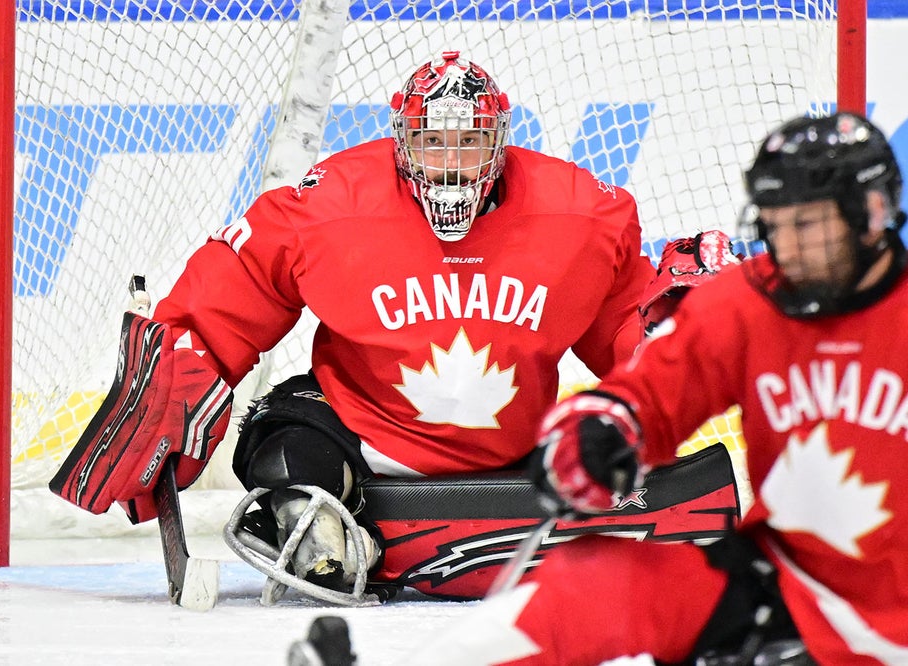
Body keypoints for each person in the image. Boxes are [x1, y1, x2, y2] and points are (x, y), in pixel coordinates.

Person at [49, 51, 657, 600]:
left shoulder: (580, 213)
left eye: (468, 143)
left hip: (515, 452)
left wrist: (677, 332)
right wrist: (182, 353)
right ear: (400, 142)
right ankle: (321, 527)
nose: (449, 164)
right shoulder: (333, 206)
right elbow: (242, 281)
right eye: (430, 142)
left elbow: (628, 328)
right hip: (366, 440)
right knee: (277, 438)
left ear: (500, 143)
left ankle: (322, 525)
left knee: (602, 431)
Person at [394, 111, 908, 665]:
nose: (786, 248)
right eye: (774, 226)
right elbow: (651, 395)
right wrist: (599, 430)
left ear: (871, 213)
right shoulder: (748, 304)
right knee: (591, 578)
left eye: (805, 225)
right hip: (782, 585)